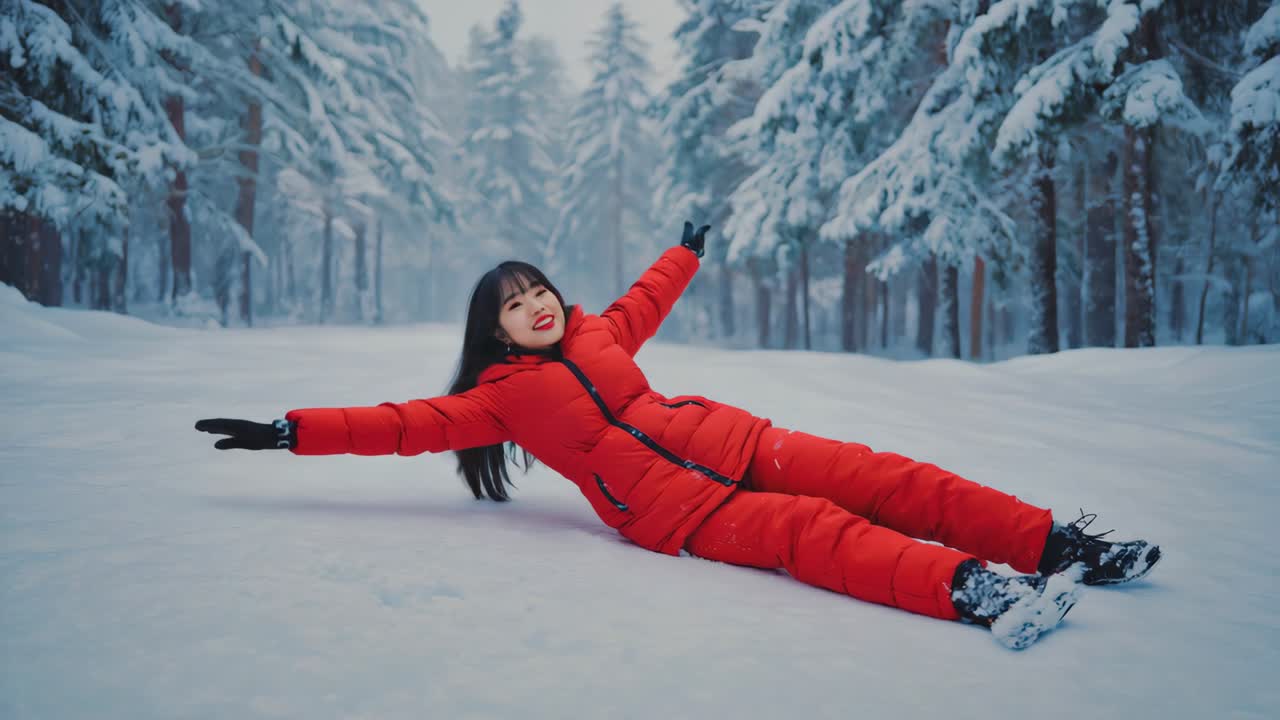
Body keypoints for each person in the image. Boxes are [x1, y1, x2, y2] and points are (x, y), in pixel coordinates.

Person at [196, 222, 1161, 650]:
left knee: (885, 477)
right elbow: (401, 426)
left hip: (735, 440)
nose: (536, 305)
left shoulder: (599, 334)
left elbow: (644, 297)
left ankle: (1059, 546)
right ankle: (981, 590)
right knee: (815, 534)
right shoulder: (497, 400)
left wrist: (684, 252)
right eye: (514, 303)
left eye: (539, 290)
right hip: (674, 513)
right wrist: (292, 431)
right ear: (496, 331)